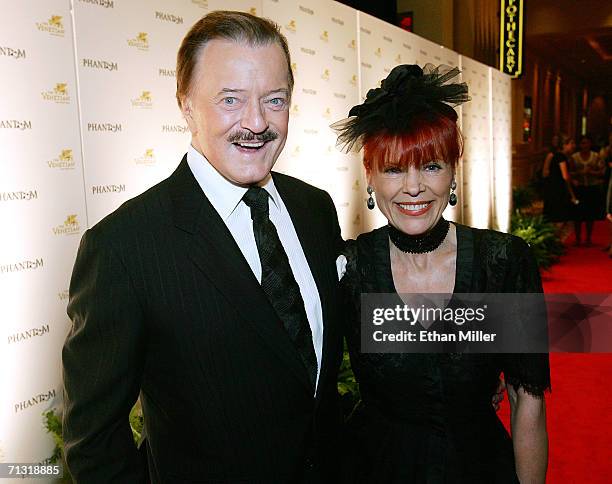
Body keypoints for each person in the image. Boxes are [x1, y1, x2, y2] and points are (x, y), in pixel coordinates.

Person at [62, 11, 344, 483]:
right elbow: (92, 444)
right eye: (230, 100)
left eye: (274, 100)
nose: (256, 122)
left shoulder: (315, 210)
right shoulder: (123, 248)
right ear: (186, 105)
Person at [333, 64, 550, 483]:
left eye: (431, 166)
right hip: (377, 469)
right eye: (394, 169)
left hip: (479, 468)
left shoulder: (502, 262)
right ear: (370, 177)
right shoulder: (350, 269)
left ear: (454, 171)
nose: (414, 187)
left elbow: (529, 401)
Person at [569, 135, 606, 245]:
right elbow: (569, 172)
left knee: (590, 214)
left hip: (592, 187)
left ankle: (588, 238)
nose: (585, 145)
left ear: (590, 144)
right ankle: (578, 238)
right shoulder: (574, 157)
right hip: (579, 188)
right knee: (578, 214)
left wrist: (591, 172)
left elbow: (602, 172)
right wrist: (579, 174)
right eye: (583, 143)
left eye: (587, 143)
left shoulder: (596, 156)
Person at [542, 134, 578, 225]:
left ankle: (552, 237)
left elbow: (545, 173)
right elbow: (565, 176)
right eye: (571, 143)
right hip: (558, 190)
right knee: (560, 218)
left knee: (552, 218)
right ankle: (556, 237)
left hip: (550, 188)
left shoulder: (552, 155)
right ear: (564, 145)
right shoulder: (561, 157)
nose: (574, 146)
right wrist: (572, 194)